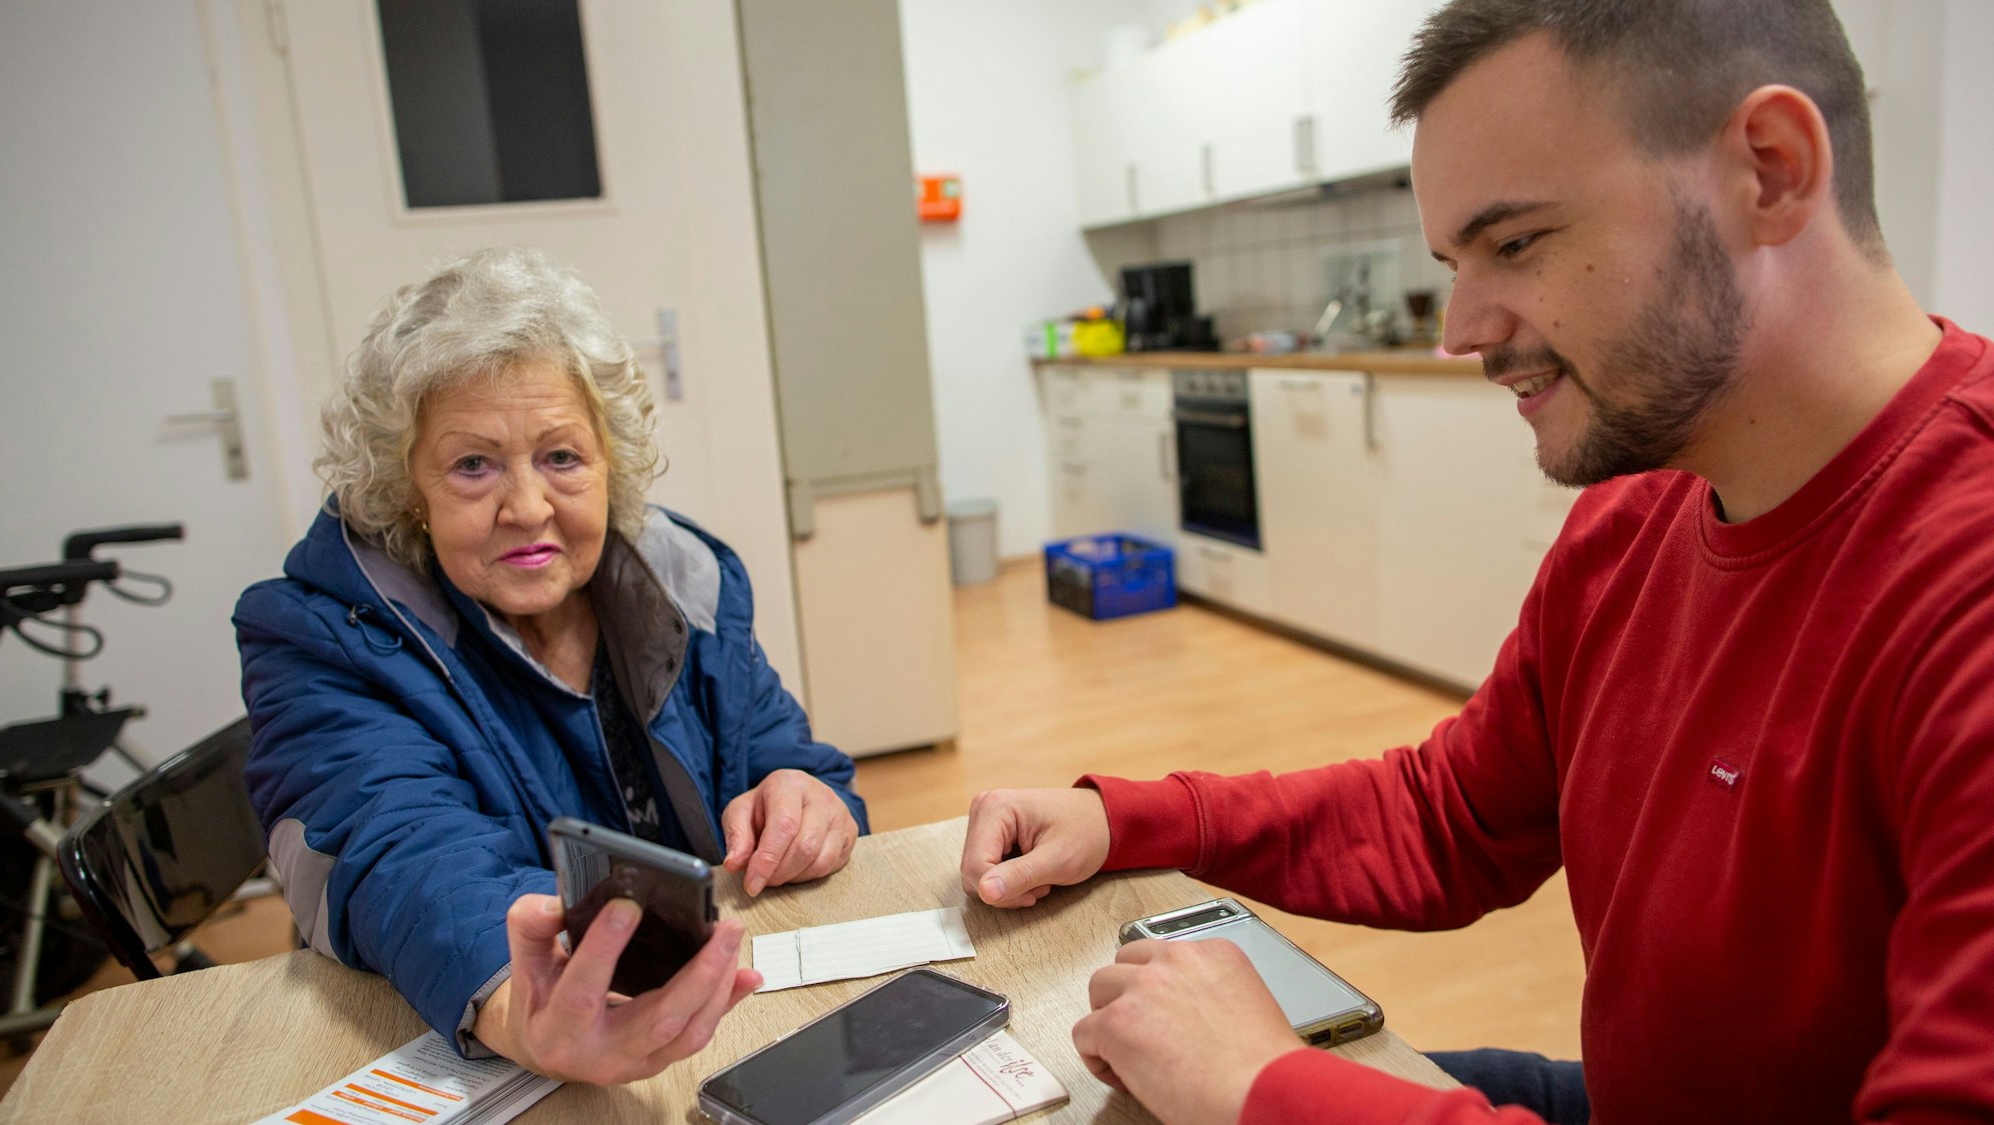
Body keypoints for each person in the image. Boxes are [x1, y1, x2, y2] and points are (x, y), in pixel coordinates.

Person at [961, 1, 1994, 1123]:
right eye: (1454, 262)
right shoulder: (1642, 509)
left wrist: (1261, 1084)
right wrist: (1137, 821)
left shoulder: (1959, 582)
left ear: (1769, 169)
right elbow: (1450, 816)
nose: (1459, 329)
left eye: (1514, 244)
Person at [236, 247, 868, 1084]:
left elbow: (785, 757)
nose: (528, 507)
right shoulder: (323, 635)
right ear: (406, 489)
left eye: (562, 457)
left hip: (723, 1025)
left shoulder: (679, 585)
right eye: (473, 465)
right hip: (497, 1051)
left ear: (612, 461)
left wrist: (811, 799)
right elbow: (398, 851)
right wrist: (517, 1003)